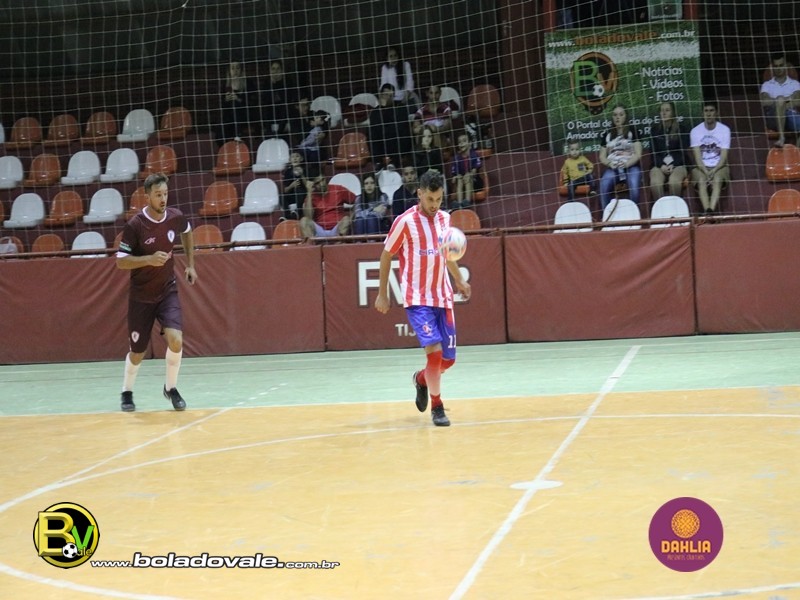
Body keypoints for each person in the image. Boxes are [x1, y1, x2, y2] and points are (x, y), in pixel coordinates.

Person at [374, 169, 471, 427]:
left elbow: (446, 254)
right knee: (434, 355)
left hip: (443, 297)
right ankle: (437, 407)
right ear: (419, 194)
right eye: (430, 199)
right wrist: (382, 293)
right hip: (418, 299)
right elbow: (386, 255)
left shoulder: (445, 219)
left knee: (448, 360)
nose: (434, 204)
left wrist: (459, 280)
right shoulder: (405, 222)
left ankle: (421, 379)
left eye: (438, 199)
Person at [116, 173, 197, 413]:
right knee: (137, 352)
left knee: (176, 340)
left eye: (165, 194)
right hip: (141, 296)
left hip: (166, 291)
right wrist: (148, 259)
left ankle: (171, 388)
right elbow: (121, 261)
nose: (163, 199)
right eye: (158, 195)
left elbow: (187, 231)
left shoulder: (175, 217)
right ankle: (126, 391)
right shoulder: (135, 225)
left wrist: (191, 264)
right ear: (147, 196)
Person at [598, 104, 643, 209]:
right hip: (613, 167)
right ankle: (607, 214)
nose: (617, 117)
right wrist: (610, 164)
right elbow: (602, 157)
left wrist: (627, 164)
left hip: (631, 166)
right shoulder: (607, 134)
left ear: (626, 116)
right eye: (615, 115)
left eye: (621, 114)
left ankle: (634, 213)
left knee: (634, 184)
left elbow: (638, 154)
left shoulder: (633, 131)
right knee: (604, 184)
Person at [690, 101, 731, 214]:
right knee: (701, 180)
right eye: (706, 111)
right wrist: (705, 171)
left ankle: (710, 211)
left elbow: (723, 157)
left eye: (711, 111)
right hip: (701, 167)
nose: (708, 114)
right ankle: (708, 211)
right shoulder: (695, 131)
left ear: (716, 113)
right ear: (702, 113)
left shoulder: (725, 130)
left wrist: (714, 171)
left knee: (717, 179)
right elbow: (698, 158)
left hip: (720, 166)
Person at [649, 101, 690, 201]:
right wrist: (661, 165)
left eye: (667, 110)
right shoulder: (654, 130)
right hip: (659, 165)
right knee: (655, 183)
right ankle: (661, 209)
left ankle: (674, 209)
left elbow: (683, 152)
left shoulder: (682, 129)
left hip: (678, 164)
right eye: (662, 110)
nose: (664, 113)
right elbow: (653, 153)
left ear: (673, 113)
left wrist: (673, 164)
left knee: (674, 182)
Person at [760, 51, 800, 148]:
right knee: (780, 100)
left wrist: (781, 105)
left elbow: (798, 101)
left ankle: (797, 154)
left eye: (781, 65)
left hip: (791, 116)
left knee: (781, 101)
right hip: (773, 118)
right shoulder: (767, 85)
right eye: (776, 66)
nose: (778, 68)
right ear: (773, 68)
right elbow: (764, 102)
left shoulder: (795, 84)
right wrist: (784, 100)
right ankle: (782, 138)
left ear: (786, 66)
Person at [369, 83, 413, 169]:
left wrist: (386, 109)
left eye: (391, 96)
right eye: (386, 95)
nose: (388, 98)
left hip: (397, 143)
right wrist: (382, 108)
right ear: (380, 95)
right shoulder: (375, 112)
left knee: (396, 132)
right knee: (372, 133)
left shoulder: (400, 108)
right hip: (381, 143)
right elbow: (376, 129)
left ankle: (396, 160)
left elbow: (401, 128)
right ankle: (378, 161)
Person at [258, 60, 297, 136]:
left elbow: (286, 98)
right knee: (265, 108)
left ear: (282, 70)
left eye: (278, 68)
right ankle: (268, 131)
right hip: (271, 109)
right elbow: (265, 99)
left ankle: (279, 133)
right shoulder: (267, 82)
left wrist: (276, 84)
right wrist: (272, 84)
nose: (275, 71)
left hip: (284, 108)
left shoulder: (288, 81)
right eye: (273, 69)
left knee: (285, 108)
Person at [218, 61, 255, 142]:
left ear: (241, 70)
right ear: (229, 71)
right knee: (221, 129)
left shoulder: (248, 83)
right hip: (229, 116)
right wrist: (225, 100)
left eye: (237, 68)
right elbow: (221, 106)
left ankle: (238, 134)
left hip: (245, 114)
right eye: (233, 68)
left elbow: (252, 102)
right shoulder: (225, 84)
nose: (235, 71)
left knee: (235, 105)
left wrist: (238, 99)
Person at [451, 132, 484, 209]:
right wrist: (456, 176)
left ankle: (467, 203)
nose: (461, 144)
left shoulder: (474, 155)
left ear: (470, 143)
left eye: (464, 141)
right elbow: (454, 174)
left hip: (474, 182)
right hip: (461, 183)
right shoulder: (456, 158)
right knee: (459, 180)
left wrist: (469, 174)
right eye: (459, 142)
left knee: (468, 177)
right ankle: (459, 204)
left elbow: (474, 171)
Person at [295, 110, 328, 176]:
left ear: (322, 121)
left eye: (317, 118)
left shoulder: (318, 129)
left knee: (312, 159)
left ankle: (315, 174)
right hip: (308, 148)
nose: (314, 119)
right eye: (315, 117)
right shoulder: (314, 128)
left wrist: (302, 144)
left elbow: (312, 140)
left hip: (313, 149)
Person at [280, 151, 308, 221]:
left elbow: (308, 187)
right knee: (281, 195)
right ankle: (287, 215)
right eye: (293, 157)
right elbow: (286, 190)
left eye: (297, 156)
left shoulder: (306, 170)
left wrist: (302, 175)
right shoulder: (287, 172)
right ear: (290, 160)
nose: (295, 158)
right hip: (292, 196)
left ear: (301, 159)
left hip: (303, 195)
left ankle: (298, 213)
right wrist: (292, 185)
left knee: (299, 190)